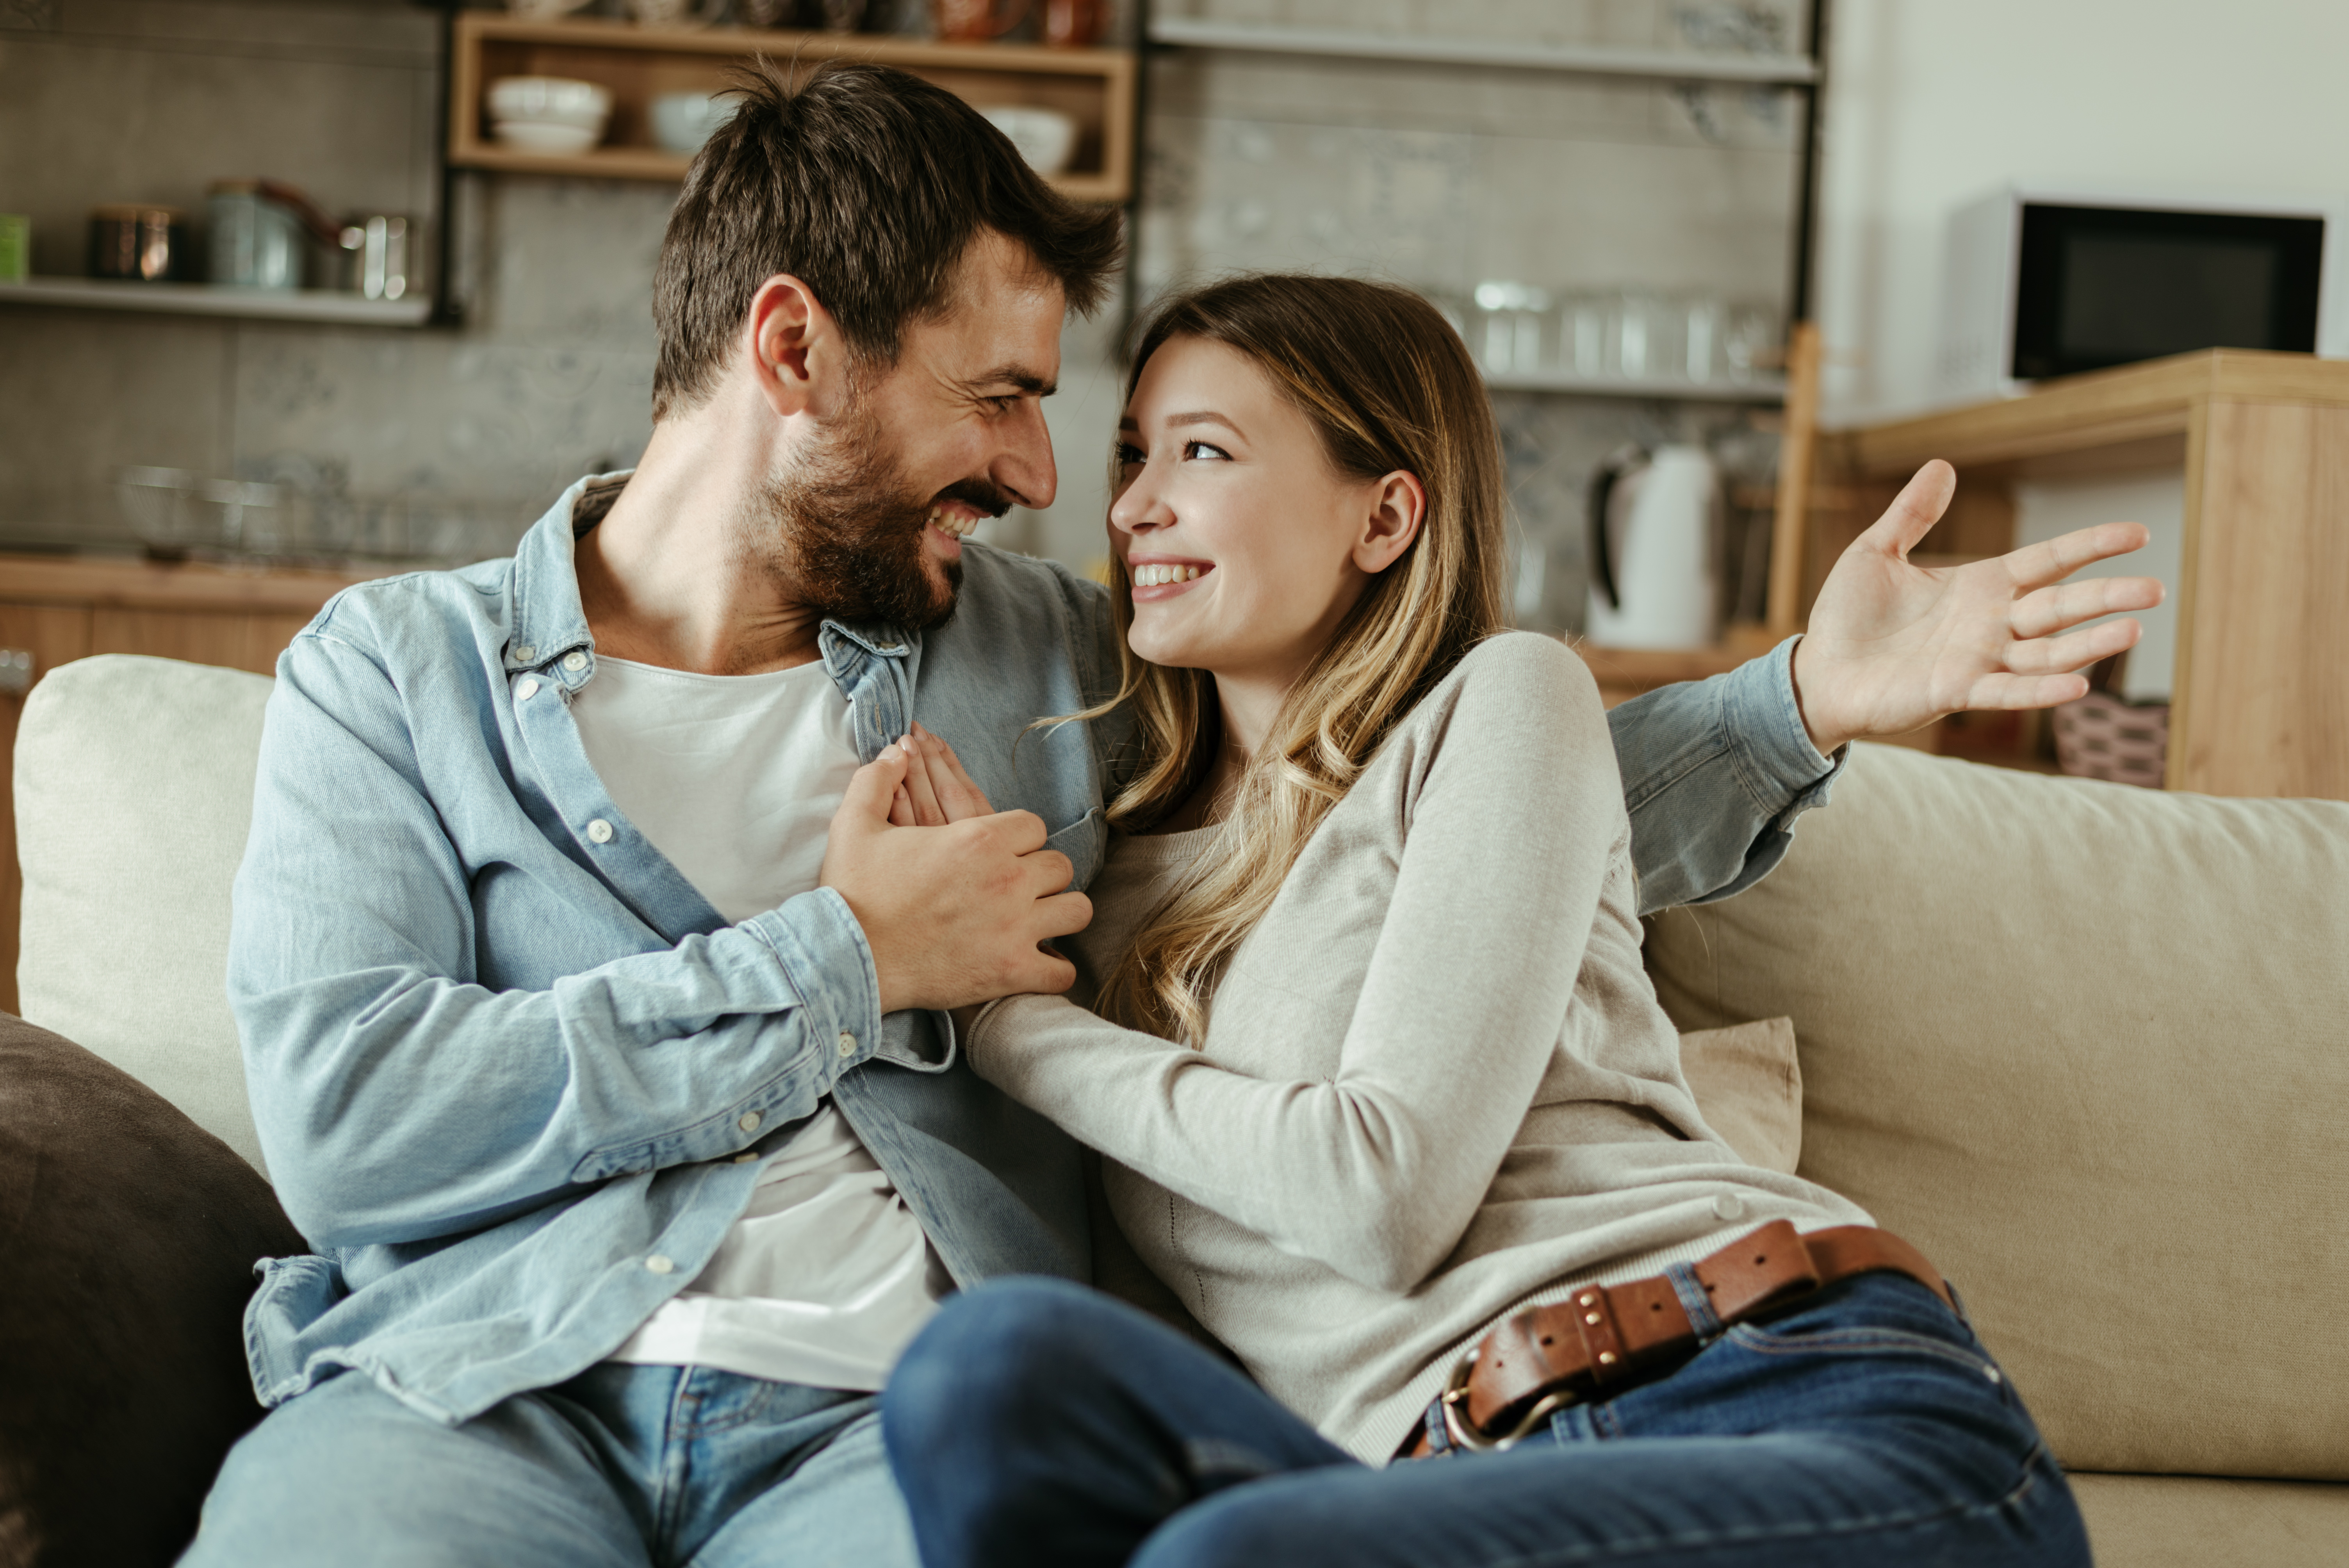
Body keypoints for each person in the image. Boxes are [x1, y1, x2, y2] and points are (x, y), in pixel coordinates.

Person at [190, 61, 2153, 1568]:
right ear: (792, 349)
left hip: (882, 1418)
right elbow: (357, 1124)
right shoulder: (398, 672)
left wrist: (1796, 701)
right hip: (478, 1385)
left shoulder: (1052, 652)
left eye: (1110, 435)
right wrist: (846, 959)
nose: (1052, 478)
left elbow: (1411, 814)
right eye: (1002, 401)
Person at [876, 275, 2136, 1568]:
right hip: (1427, 1481)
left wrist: (1007, 1020)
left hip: (1771, 1394)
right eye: (1132, 455)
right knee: (986, 1368)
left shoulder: (1505, 703)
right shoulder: (1108, 888)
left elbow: (1380, 1196)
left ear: (1386, 515)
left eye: (1202, 452)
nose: (1134, 504)